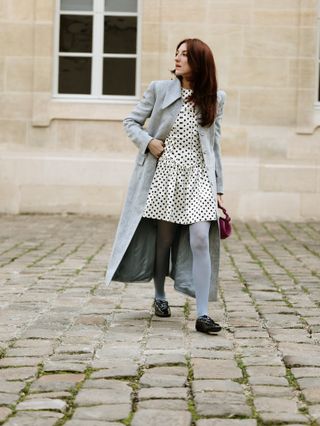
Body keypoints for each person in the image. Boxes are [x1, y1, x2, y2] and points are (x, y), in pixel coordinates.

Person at [105, 38, 226, 334]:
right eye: (177, 53)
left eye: (185, 55)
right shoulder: (160, 90)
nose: (177, 59)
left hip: (199, 175)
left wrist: (219, 189)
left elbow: (215, 145)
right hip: (165, 172)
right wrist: (148, 143)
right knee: (164, 240)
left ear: (200, 62)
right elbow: (130, 121)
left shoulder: (215, 98)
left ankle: (202, 314)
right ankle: (159, 295)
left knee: (200, 237)